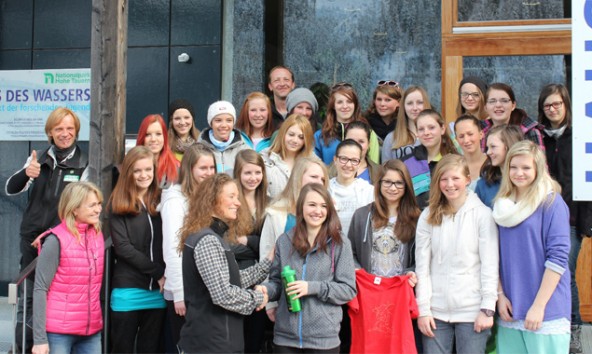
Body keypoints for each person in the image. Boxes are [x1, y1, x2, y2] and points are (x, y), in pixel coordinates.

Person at [5, 106, 88, 352]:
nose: (65, 133)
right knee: (28, 296)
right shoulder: (37, 159)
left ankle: (48, 345)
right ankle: (23, 346)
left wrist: (57, 234)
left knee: (53, 297)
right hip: (31, 240)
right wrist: (25, 173)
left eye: (69, 128)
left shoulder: (84, 164)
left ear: (76, 131)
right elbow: (12, 188)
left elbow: (82, 209)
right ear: (50, 132)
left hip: (60, 242)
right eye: (59, 129)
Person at [177, 174, 272, 353]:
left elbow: (231, 279)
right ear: (213, 199)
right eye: (232, 196)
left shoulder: (212, 237)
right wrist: (258, 298)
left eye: (237, 197)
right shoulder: (207, 240)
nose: (238, 203)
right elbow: (223, 294)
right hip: (210, 344)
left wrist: (267, 264)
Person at [493, 141, 571, 353]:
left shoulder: (551, 203)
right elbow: (493, 256)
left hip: (546, 310)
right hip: (510, 308)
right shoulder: (502, 205)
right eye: (514, 167)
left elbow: (558, 258)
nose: (519, 173)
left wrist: (538, 306)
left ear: (538, 169)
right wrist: (500, 296)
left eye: (526, 167)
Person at [415, 154, 499, 354]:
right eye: (444, 179)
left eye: (455, 178)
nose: (449, 184)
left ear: (468, 180)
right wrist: (423, 310)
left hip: (472, 311)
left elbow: (489, 264)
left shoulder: (482, 215)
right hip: (435, 312)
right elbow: (423, 267)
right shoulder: (428, 215)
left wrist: (487, 308)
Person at [262, 183, 357, 353]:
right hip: (285, 339)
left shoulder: (340, 243)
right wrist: (265, 291)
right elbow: (277, 283)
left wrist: (311, 287)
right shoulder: (284, 241)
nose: (317, 211)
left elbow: (348, 290)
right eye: (312, 205)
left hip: (323, 340)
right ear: (301, 207)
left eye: (323, 206)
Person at [538, 83, 592, 353]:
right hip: (541, 218)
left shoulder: (581, 136)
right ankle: (551, 329)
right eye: (547, 105)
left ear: (566, 105)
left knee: (565, 275)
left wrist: (586, 222)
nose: (552, 109)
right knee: (544, 275)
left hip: (570, 220)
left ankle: (574, 335)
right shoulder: (538, 138)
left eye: (557, 104)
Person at [347, 159, 421, 353]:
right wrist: (357, 271)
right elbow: (350, 251)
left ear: (406, 186)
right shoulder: (362, 215)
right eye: (387, 182)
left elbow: (421, 257)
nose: (392, 188)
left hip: (399, 296)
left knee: (397, 345)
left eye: (399, 183)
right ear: (379, 184)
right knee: (370, 345)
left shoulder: (416, 218)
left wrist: (411, 272)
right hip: (369, 295)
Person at [31, 182, 104, 354]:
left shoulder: (96, 235)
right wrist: (39, 339)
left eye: (99, 204)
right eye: (92, 205)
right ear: (74, 209)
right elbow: (40, 289)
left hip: (91, 331)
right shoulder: (55, 240)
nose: (98, 209)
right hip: (59, 334)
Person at [108, 146, 166, 353]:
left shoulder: (162, 200)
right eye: (137, 171)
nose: (144, 175)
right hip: (128, 290)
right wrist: (158, 272)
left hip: (158, 293)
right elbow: (123, 248)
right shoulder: (118, 203)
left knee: (149, 349)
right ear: (128, 173)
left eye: (148, 170)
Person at [158, 143, 216, 350]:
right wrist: (180, 294)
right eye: (203, 168)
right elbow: (173, 249)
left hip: (205, 291)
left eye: (212, 168)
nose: (209, 173)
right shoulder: (175, 201)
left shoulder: (207, 198)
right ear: (189, 169)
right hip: (184, 292)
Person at [259, 156, 329, 276]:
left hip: (318, 288)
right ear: (298, 178)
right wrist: (266, 289)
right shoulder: (276, 213)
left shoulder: (328, 213)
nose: (319, 182)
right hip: (281, 287)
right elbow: (266, 256)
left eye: (322, 179)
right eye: (314, 177)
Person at [232, 150, 270, 353]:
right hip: (237, 278)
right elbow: (227, 245)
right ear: (238, 173)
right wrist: (259, 247)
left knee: (255, 340)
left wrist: (248, 240)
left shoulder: (269, 202)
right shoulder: (229, 201)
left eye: (257, 172)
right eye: (247, 173)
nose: (253, 178)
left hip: (261, 282)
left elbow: (271, 244)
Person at [402, 109, 458, 209]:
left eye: (431, 127)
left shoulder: (454, 159)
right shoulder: (407, 162)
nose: (426, 133)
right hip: (417, 220)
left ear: (442, 129)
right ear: (417, 133)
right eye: (421, 129)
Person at [314, 83, 380, 165]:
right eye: (340, 102)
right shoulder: (320, 136)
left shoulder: (369, 133)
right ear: (333, 106)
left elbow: (373, 167)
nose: (345, 106)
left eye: (349, 101)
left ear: (355, 105)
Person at [263, 114, 315, 199]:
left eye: (301, 137)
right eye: (291, 134)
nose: (295, 140)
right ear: (283, 133)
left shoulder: (313, 162)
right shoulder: (264, 158)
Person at [329, 139, 375, 234]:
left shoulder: (368, 191)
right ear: (335, 160)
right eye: (344, 159)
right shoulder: (325, 189)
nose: (348, 165)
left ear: (359, 163)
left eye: (354, 160)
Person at [481, 83, 544, 151]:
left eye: (504, 101)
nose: (498, 105)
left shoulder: (530, 132)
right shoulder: (479, 130)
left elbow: (539, 161)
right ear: (485, 107)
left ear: (513, 105)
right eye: (492, 101)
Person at [474, 125, 523, 208]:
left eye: (493, 147)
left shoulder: (528, 181)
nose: (488, 152)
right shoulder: (483, 185)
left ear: (508, 146)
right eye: (487, 148)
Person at [198, 100, 251, 175]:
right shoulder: (198, 149)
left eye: (229, 120)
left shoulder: (244, 149)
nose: (224, 125)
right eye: (218, 120)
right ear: (211, 123)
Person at [382, 85, 431, 161]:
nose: (415, 108)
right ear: (404, 107)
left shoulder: (434, 135)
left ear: (426, 105)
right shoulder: (391, 138)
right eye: (410, 103)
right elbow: (385, 170)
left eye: (419, 102)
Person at [136, 114, 180, 187]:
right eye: (147, 134)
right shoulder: (131, 166)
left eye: (158, 134)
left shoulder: (177, 168)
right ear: (142, 138)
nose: (153, 139)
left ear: (164, 137)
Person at [454, 114, 487, 190]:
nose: (466, 140)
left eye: (470, 134)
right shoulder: (454, 167)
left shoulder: (493, 164)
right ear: (456, 139)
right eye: (461, 136)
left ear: (481, 134)